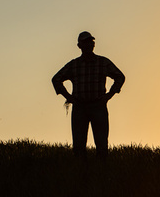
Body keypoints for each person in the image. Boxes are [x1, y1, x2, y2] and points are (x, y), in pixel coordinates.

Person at [52, 31, 125, 160]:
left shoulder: (102, 62)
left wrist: (109, 95)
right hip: (80, 106)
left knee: (102, 144)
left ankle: (100, 171)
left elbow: (120, 77)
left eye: (90, 42)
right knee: (79, 146)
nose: (89, 45)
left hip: (98, 106)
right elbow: (56, 79)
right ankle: (82, 172)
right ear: (79, 46)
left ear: (94, 45)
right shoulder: (74, 65)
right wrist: (68, 97)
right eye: (85, 42)